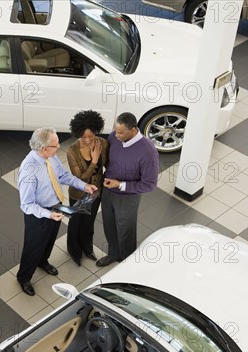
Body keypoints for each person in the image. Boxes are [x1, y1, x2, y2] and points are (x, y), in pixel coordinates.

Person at [17, 127, 97, 296]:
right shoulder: (29, 170)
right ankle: (24, 277)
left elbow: (63, 176)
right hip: (39, 214)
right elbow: (27, 204)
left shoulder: (51, 158)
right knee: (33, 246)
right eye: (55, 144)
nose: (59, 146)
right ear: (44, 148)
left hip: (55, 207)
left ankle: (43, 261)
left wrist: (84, 185)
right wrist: (48, 214)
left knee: (49, 240)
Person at [96, 112, 159, 267]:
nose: (116, 135)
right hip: (108, 192)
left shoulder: (148, 152)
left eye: (120, 132)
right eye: (115, 131)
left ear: (133, 130)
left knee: (126, 231)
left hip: (128, 197)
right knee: (109, 225)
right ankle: (113, 254)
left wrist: (120, 184)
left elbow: (150, 184)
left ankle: (127, 263)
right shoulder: (113, 137)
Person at [66, 110, 109, 266]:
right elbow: (80, 178)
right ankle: (74, 251)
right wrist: (94, 160)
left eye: (91, 136)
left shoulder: (102, 144)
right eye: (84, 137)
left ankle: (87, 248)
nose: (88, 140)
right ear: (78, 134)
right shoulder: (72, 151)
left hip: (96, 192)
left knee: (89, 223)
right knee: (75, 223)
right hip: (79, 193)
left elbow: (108, 165)